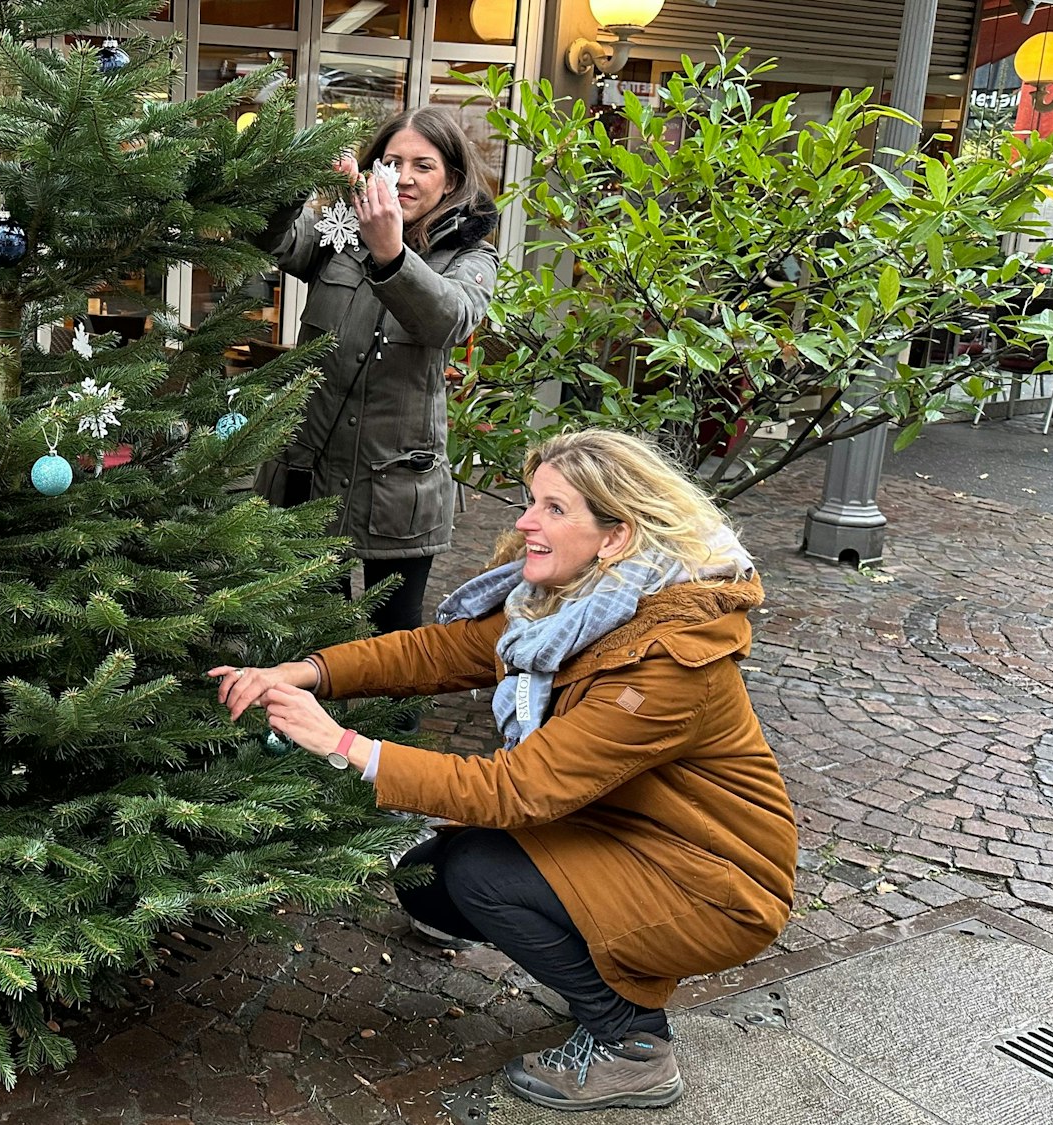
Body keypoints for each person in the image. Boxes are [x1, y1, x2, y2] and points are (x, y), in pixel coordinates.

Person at [212, 429, 796, 1113]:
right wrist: (308, 670)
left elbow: (519, 788)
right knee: (431, 879)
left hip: (715, 879)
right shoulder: (580, 607)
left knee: (480, 873)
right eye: (531, 502)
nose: (524, 522)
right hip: (631, 833)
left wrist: (342, 742)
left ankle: (632, 1043)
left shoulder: (664, 659)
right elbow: (439, 651)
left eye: (553, 509)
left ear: (615, 535)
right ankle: (598, 963)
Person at [254, 104, 501, 635]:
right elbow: (274, 239)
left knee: (396, 634)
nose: (405, 178)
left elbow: (448, 320)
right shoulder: (341, 231)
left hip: (396, 487)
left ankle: (393, 724)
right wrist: (301, 176)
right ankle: (310, 720)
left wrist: (391, 254)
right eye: (394, 161)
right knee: (314, 625)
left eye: (424, 165)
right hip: (309, 471)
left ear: (452, 179)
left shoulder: (472, 257)